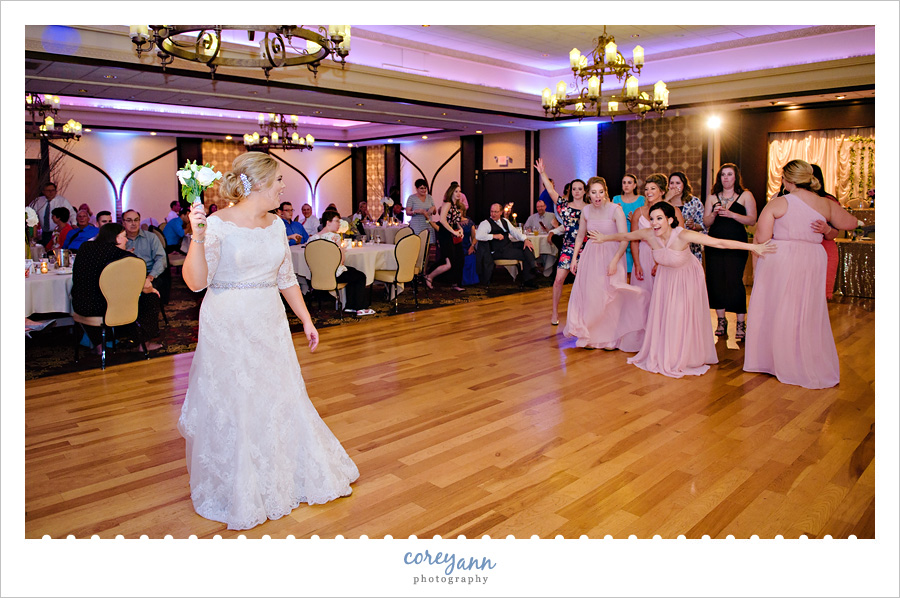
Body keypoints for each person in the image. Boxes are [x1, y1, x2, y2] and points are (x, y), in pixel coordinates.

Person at [179, 152, 359, 530]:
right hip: (228, 322)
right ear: (258, 183)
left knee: (278, 396)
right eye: (278, 180)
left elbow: (286, 279)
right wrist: (196, 239)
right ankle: (241, 485)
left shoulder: (278, 225)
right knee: (239, 402)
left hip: (269, 321)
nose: (283, 186)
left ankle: (281, 474)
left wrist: (306, 321)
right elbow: (196, 282)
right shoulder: (216, 224)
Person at [591, 201, 776, 378]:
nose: (654, 223)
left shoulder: (682, 235)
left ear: (670, 220)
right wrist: (604, 238)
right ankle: (667, 353)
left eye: (659, 218)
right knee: (666, 315)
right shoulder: (648, 234)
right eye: (652, 218)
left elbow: (719, 242)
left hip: (687, 278)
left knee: (679, 315)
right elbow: (625, 236)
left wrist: (753, 246)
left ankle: (682, 356)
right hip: (666, 279)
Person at [744, 159, 857, 389]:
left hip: (783, 257)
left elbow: (762, 238)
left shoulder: (780, 203)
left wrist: (757, 268)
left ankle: (777, 361)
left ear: (786, 180)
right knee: (807, 308)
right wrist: (827, 229)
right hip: (813, 257)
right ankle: (803, 357)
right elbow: (852, 222)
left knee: (779, 307)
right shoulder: (825, 203)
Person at [565, 176, 649, 350]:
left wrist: (615, 261)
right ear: (589, 194)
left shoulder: (615, 210)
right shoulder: (586, 211)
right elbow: (580, 236)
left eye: (600, 192)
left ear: (605, 193)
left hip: (613, 255)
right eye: (594, 192)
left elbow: (624, 238)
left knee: (612, 295)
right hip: (591, 256)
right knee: (593, 296)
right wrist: (574, 259)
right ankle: (592, 336)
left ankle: (612, 338)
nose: (597, 196)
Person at [70, 222, 162, 350]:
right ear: (117, 238)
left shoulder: (85, 247)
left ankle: (99, 345)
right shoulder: (124, 256)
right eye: (124, 236)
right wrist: (152, 289)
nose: (126, 239)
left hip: (80, 306)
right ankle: (144, 344)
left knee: (92, 295)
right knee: (149, 297)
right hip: (106, 309)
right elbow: (144, 285)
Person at [703, 163, 758, 341]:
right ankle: (721, 320)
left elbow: (752, 220)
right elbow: (706, 222)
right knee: (716, 280)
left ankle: (741, 322)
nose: (726, 178)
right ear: (719, 178)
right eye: (723, 175)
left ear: (736, 177)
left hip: (736, 243)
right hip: (715, 244)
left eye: (729, 174)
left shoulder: (745, 195)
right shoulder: (712, 198)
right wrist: (714, 214)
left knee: (734, 281)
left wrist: (733, 215)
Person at [534, 159, 587, 325]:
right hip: (568, 247)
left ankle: (583, 314)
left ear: (585, 191)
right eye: (574, 189)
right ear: (571, 190)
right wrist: (542, 172)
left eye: (580, 189)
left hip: (586, 248)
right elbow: (550, 190)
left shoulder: (589, 208)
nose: (577, 191)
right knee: (558, 280)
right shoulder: (564, 205)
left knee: (584, 282)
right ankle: (555, 313)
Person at [308, 210, 376, 316]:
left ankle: (350, 307)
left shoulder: (312, 238)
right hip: (334, 273)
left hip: (318, 274)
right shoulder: (334, 237)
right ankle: (359, 307)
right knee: (360, 276)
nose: (339, 224)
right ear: (328, 222)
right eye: (336, 221)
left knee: (353, 272)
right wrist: (342, 250)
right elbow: (341, 260)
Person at [630, 174, 685, 298]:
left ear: (662, 191)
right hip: (643, 257)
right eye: (646, 189)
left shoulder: (674, 211)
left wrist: (660, 262)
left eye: (653, 188)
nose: (648, 192)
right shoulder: (638, 212)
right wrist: (637, 263)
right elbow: (633, 240)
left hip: (666, 257)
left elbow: (679, 238)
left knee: (662, 296)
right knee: (641, 298)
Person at [474, 203, 539, 288]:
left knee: (527, 245)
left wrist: (525, 239)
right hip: (497, 251)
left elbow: (515, 232)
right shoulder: (485, 223)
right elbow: (478, 236)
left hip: (508, 246)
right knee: (524, 253)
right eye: (492, 211)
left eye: (496, 212)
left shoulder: (505, 221)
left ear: (501, 212)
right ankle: (530, 275)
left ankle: (532, 268)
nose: (493, 214)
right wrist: (494, 236)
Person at [424, 183, 466, 292]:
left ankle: (455, 283)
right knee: (448, 263)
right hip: (446, 234)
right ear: (451, 192)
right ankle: (429, 276)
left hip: (452, 233)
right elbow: (443, 220)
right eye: (456, 191)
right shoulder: (447, 204)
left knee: (459, 258)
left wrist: (460, 229)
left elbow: (455, 221)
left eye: (459, 191)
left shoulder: (456, 205)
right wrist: (454, 232)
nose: (458, 194)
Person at [809, 164, 842, 299]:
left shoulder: (828, 200)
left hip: (824, 249)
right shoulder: (791, 199)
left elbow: (835, 232)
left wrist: (826, 229)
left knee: (819, 297)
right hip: (800, 251)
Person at [122, 209, 168, 301]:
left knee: (148, 293)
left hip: (149, 273)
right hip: (125, 275)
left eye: (136, 220)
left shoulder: (151, 237)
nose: (133, 223)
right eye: (129, 220)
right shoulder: (120, 240)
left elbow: (161, 258)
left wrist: (150, 276)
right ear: (123, 223)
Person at [666, 172, 706, 260]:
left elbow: (704, 225)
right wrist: (667, 198)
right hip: (669, 246)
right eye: (672, 183)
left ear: (684, 185)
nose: (674, 186)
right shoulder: (665, 201)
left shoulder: (694, 202)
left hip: (690, 247)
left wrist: (694, 226)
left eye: (678, 183)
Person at [612, 173, 645, 274]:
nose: (626, 185)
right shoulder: (616, 199)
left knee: (635, 271)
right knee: (619, 270)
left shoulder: (642, 200)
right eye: (624, 183)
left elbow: (647, 220)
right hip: (620, 237)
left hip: (636, 238)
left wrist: (635, 220)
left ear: (635, 185)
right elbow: (610, 219)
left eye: (629, 183)